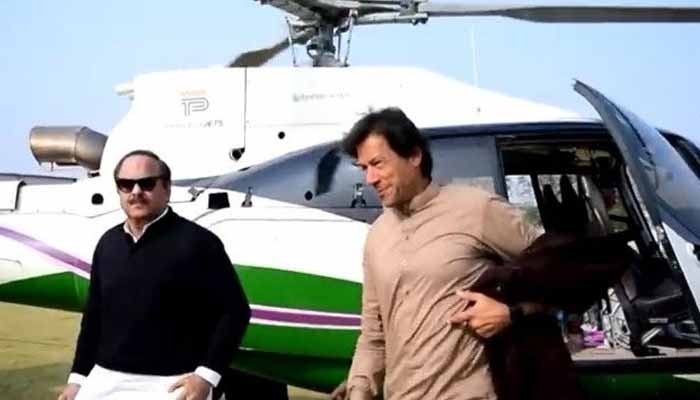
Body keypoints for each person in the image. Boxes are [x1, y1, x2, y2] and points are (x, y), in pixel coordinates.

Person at [336, 108, 542, 400]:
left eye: (378, 164)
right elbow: (373, 335)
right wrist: (359, 390)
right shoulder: (377, 235)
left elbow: (563, 270)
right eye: (364, 168)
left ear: (414, 156)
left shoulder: (478, 210)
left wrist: (514, 313)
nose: (370, 179)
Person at [58, 150, 251, 400]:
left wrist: (206, 376)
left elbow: (235, 312)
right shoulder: (108, 244)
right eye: (126, 184)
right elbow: (93, 317)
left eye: (147, 183)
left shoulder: (199, 243)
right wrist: (78, 380)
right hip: (106, 379)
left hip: (175, 383)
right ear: (118, 191)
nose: (136, 192)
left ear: (167, 188)